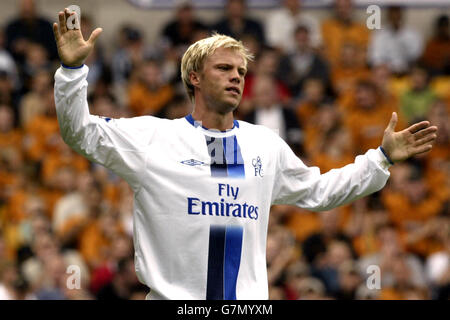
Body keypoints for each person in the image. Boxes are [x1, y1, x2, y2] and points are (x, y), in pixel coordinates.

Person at [52, 8, 437, 300]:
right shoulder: (153, 137)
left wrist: (381, 158)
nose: (237, 76)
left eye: (240, 70)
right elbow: (80, 132)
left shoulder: (264, 144)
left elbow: (320, 191)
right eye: (224, 68)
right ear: (195, 78)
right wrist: (71, 70)